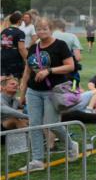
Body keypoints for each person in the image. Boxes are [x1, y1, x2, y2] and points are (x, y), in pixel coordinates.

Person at [19, 17, 79, 172]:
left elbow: (70, 66)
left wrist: (49, 71)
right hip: (33, 91)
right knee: (34, 124)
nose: (41, 31)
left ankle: (71, 145)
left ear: (50, 29)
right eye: (38, 28)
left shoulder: (60, 45)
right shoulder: (33, 48)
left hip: (53, 91)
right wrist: (22, 94)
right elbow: (26, 73)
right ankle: (37, 160)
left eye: (45, 28)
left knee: (51, 124)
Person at [52, 19, 83, 86]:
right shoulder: (72, 36)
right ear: (63, 27)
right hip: (67, 73)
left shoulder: (44, 38)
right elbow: (78, 57)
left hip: (49, 75)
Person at [2, 12, 28, 82]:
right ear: (19, 21)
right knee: (15, 80)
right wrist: (28, 59)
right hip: (14, 59)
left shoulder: (4, 31)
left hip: (3, 57)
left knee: (4, 80)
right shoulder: (20, 33)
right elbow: (21, 48)